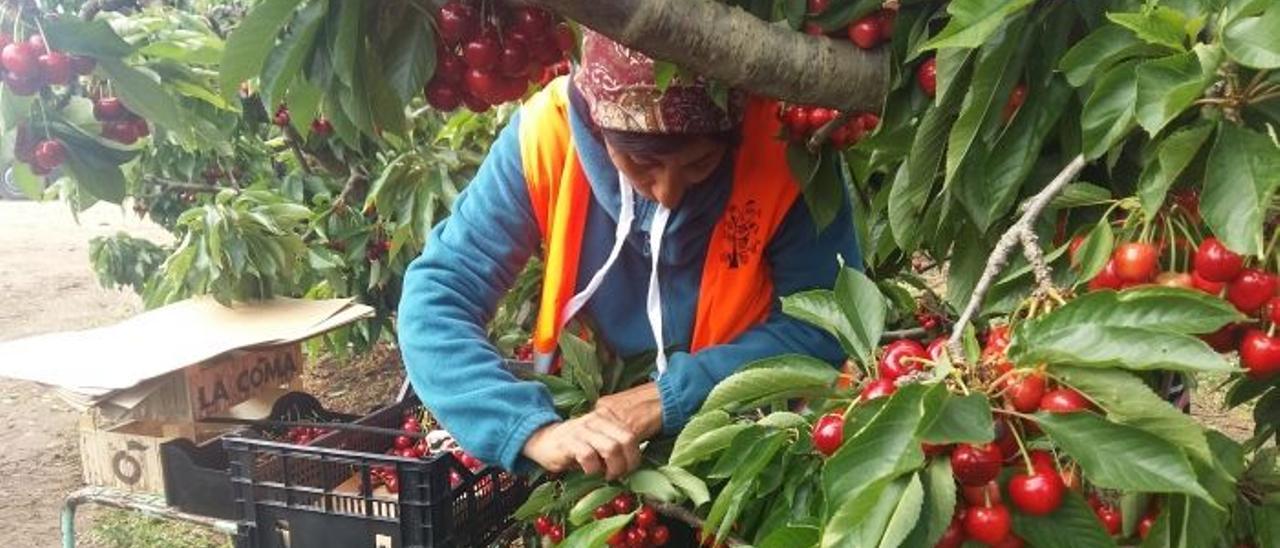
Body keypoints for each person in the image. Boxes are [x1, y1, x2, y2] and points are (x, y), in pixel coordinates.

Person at [398, 30, 860, 480]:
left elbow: (827, 317)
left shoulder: (785, 145)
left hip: (756, 441)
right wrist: (529, 430)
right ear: (597, 133)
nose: (668, 194)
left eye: (700, 164)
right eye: (640, 164)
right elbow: (437, 296)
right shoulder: (547, 137)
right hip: (601, 453)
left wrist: (672, 396)